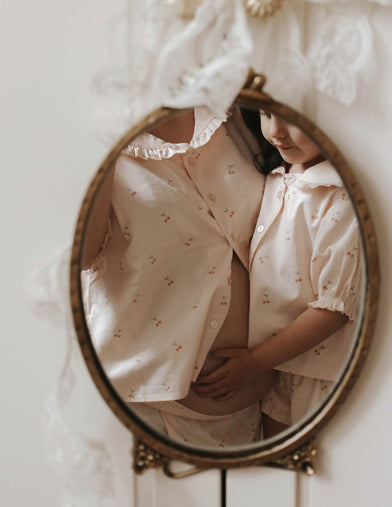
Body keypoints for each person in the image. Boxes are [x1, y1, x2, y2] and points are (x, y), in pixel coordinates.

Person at [81, 106, 278, 447]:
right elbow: (81, 255)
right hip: (144, 407)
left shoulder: (231, 113)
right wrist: (103, 148)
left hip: (254, 408)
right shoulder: (103, 142)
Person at [195, 110, 362, 437]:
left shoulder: (339, 196)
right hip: (278, 371)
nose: (275, 131)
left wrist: (254, 362)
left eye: (291, 118)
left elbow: (334, 308)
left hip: (321, 373)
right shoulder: (276, 176)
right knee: (274, 461)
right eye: (266, 114)